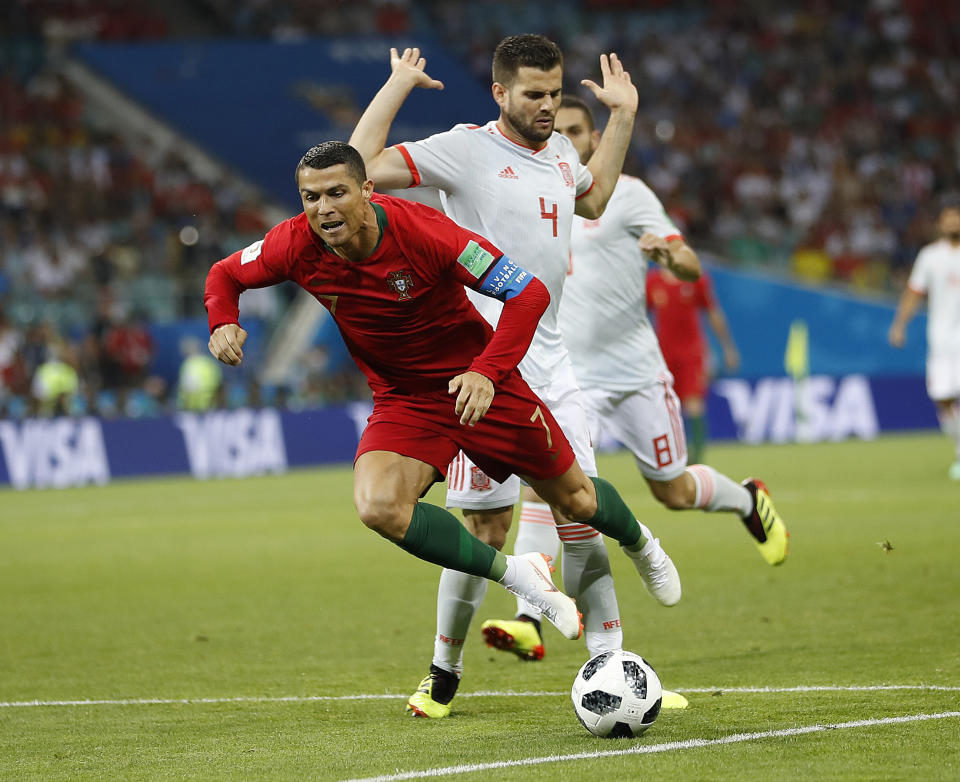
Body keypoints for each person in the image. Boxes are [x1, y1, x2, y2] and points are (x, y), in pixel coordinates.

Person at [204, 140, 676, 683]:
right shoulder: (293, 242)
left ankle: (642, 542)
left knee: (578, 499)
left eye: (337, 193)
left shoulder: (426, 233)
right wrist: (221, 321)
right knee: (378, 506)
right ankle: (518, 576)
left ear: (367, 190)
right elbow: (224, 274)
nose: (323, 209)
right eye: (310, 197)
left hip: (480, 385)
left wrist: (487, 371)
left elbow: (527, 295)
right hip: (405, 400)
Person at [348, 38, 682, 719]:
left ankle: (616, 666)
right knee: (488, 528)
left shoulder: (560, 151)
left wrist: (623, 116)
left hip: (554, 367)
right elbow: (364, 166)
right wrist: (399, 86)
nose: (547, 106)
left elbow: (594, 201)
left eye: (555, 93)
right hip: (476, 370)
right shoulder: (464, 149)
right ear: (499, 93)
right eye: (533, 94)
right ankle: (444, 671)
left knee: (578, 515)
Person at [483, 95, 790, 661]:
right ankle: (530, 618)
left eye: (578, 130)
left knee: (670, 489)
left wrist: (672, 259)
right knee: (549, 486)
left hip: (635, 375)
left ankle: (747, 500)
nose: (567, 140)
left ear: (597, 138)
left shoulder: (626, 195)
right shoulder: (529, 193)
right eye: (560, 130)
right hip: (569, 375)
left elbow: (688, 260)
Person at [646, 253, 740, 466]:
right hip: (663, 355)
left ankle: (696, 459)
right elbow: (641, 319)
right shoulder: (652, 282)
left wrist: (728, 348)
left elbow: (713, 312)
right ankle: (673, 456)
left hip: (692, 354)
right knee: (667, 406)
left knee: (694, 403)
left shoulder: (695, 279)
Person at [888, 203, 960, 480]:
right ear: (940, 224)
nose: (953, 223)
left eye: (957, 219)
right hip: (940, 341)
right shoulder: (930, 256)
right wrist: (899, 326)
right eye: (948, 219)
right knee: (942, 398)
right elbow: (913, 292)